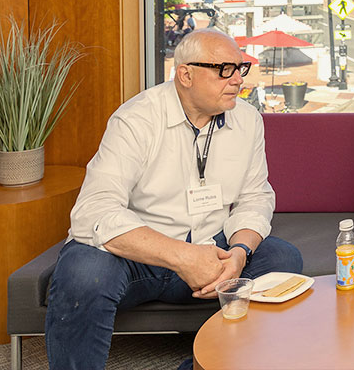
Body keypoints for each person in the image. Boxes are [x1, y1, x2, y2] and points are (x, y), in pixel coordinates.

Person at [45, 28, 302, 370]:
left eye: (240, 68)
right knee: (81, 272)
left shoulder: (248, 119)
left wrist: (239, 254)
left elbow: (255, 197)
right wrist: (183, 257)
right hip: (140, 257)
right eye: (224, 69)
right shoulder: (136, 119)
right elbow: (94, 210)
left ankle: (206, 365)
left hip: (215, 250)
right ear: (185, 74)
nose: (237, 80)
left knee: (283, 259)